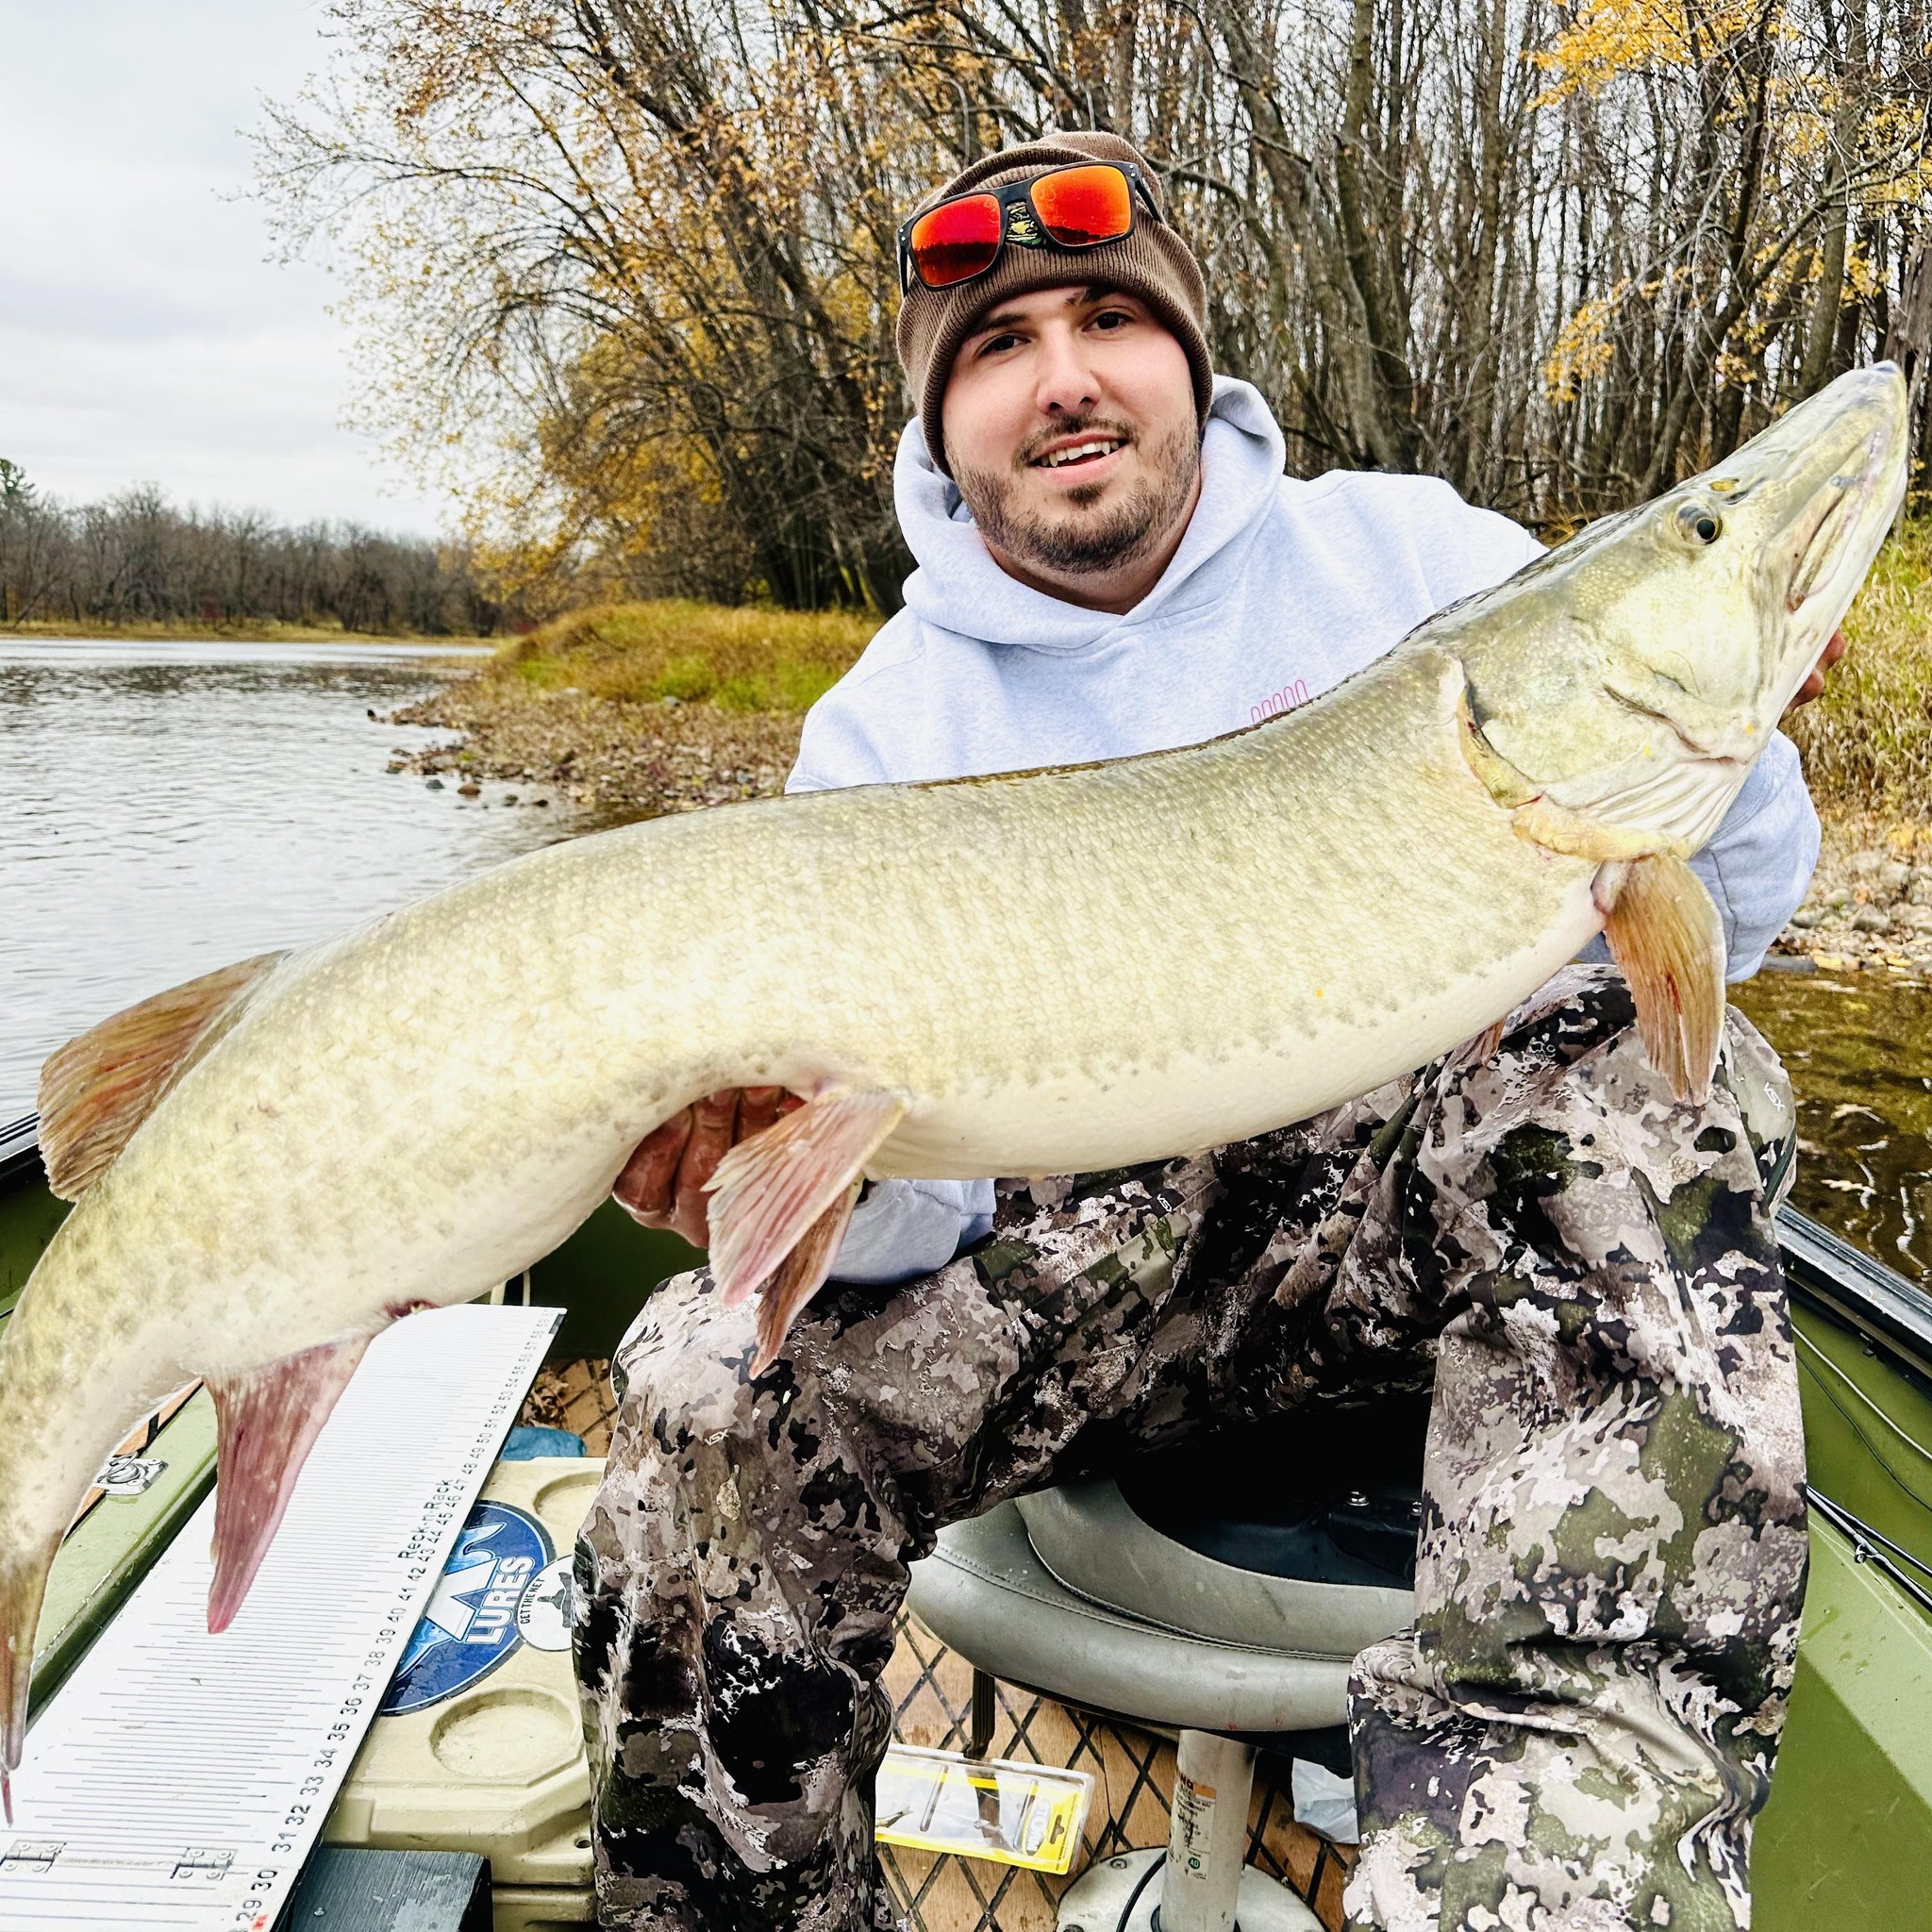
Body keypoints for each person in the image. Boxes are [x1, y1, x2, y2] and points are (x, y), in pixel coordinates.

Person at [575, 130, 1828, 1932]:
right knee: (699, 1375)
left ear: (1190, 356)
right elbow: (913, 1225)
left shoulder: (1417, 556)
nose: (1064, 377)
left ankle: (1546, 1879)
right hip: (1093, 1276)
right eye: (997, 347)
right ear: (943, 426)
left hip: (1434, 1225)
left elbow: (1729, 931)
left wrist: (1742, 688)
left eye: (1106, 316)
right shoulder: (882, 731)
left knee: (1664, 1091)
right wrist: (766, 1174)